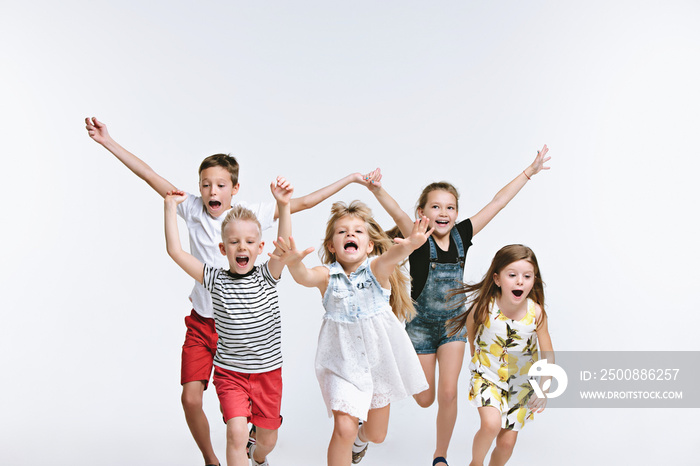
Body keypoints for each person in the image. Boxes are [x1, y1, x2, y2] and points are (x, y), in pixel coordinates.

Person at [85, 117, 368, 466]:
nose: (212, 191)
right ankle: (211, 458)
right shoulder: (190, 209)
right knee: (195, 402)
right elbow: (149, 176)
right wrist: (107, 141)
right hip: (206, 324)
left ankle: (253, 444)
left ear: (234, 189)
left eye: (220, 185)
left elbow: (304, 203)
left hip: (244, 337)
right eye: (205, 185)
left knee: (258, 429)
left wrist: (351, 178)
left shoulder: (249, 219)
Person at [362, 146, 550, 466]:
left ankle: (440, 456)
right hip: (419, 328)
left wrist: (528, 173)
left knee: (449, 395)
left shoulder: (463, 234)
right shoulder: (418, 235)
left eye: (450, 207)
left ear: (456, 213)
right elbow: (395, 212)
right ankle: (384, 388)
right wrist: (377, 189)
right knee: (425, 399)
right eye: (436, 206)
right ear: (422, 212)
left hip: (453, 325)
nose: (444, 212)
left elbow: (498, 202)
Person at [271, 201, 431, 465]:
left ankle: (361, 440)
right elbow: (304, 276)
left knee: (377, 435)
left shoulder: (377, 269)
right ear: (332, 245)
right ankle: (350, 440)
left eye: (357, 231)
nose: (350, 235)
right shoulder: (327, 276)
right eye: (342, 231)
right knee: (343, 429)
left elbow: (394, 255)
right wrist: (292, 263)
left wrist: (411, 244)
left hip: (378, 364)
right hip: (341, 365)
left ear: (369, 245)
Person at [164, 177, 293, 466]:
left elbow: (284, 248)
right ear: (223, 249)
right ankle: (242, 447)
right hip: (231, 374)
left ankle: (257, 456)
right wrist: (170, 209)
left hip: (267, 374)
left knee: (267, 441)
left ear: (260, 247)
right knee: (235, 431)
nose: (241, 247)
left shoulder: (266, 276)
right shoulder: (215, 280)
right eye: (234, 242)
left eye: (249, 242)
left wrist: (283, 206)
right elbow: (176, 252)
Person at [447, 244, 554, 466]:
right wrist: (476, 357)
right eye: (512, 275)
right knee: (491, 424)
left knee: (506, 444)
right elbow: (471, 330)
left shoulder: (536, 313)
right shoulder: (486, 306)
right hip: (487, 377)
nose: (519, 282)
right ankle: (475, 464)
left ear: (534, 279)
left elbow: (548, 355)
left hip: (519, 385)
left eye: (527, 276)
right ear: (497, 279)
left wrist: (542, 389)